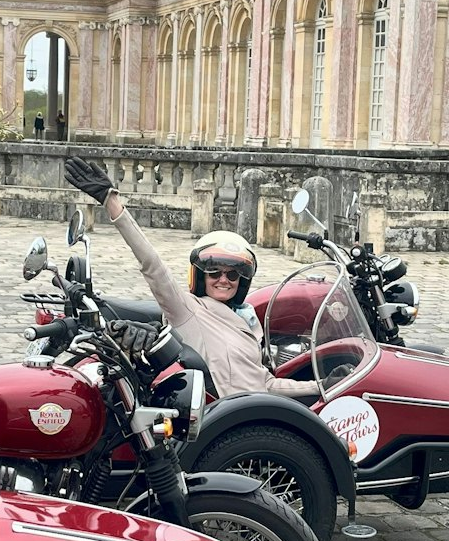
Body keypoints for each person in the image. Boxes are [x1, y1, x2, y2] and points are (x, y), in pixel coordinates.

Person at [64, 157, 316, 399]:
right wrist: (112, 203)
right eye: (214, 272)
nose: (223, 279)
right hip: (228, 422)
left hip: (257, 414)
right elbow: (154, 267)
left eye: (232, 274)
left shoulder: (248, 322)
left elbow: (265, 383)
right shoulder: (188, 310)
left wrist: (322, 386)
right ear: (199, 276)